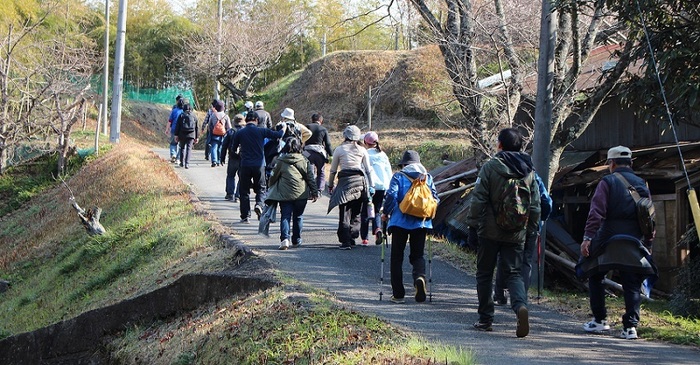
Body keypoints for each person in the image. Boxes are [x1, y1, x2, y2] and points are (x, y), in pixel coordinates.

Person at [466, 128, 540, 338]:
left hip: (489, 232)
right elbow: (534, 206)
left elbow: (478, 199)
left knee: (484, 273)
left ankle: (486, 319)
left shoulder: (491, 167)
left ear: (500, 145)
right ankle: (520, 308)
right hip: (516, 231)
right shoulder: (529, 171)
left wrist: (472, 226)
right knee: (514, 273)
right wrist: (530, 230)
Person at [579, 145, 656, 340]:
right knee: (632, 280)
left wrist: (588, 238)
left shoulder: (607, 182)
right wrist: (648, 242)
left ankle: (599, 320)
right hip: (635, 238)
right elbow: (650, 216)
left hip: (608, 236)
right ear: (630, 163)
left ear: (611, 163)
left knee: (593, 272)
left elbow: (596, 213)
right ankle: (630, 328)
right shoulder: (642, 184)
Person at [380, 150, 439, 304]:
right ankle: (419, 277)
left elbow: (392, 195)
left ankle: (398, 295)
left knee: (397, 258)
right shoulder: (427, 178)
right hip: (421, 222)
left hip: (400, 222)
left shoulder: (399, 176)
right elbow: (435, 198)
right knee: (417, 255)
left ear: (404, 164)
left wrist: (386, 212)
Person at [493, 172, 553, 305]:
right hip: (530, 226)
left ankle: (500, 295)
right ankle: (521, 297)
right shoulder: (535, 178)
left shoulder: (505, 175)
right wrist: (540, 221)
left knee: (504, 258)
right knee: (526, 261)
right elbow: (546, 202)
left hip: (508, 225)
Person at [265, 136, 319, 250]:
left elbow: (273, 177)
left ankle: (285, 239)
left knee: (285, 216)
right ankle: (296, 240)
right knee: (298, 216)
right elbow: (310, 178)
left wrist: (271, 186)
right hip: (301, 194)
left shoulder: (280, 161)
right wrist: (314, 192)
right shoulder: (304, 160)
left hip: (285, 194)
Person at [232, 111, 287, 223]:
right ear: (257, 120)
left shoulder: (240, 133)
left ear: (246, 120)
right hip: (259, 165)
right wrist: (284, 128)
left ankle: (245, 215)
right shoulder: (261, 131)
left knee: (244, 191)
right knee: (261, 188)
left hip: (245, 164)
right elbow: (278, 135)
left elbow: (233, 149)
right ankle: (259, 204)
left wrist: (240, 154)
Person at [326, 125, 375, 249]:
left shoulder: (339, 149)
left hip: (345, 183)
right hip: (360, 182)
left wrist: (330, 185)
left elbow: (332, 171)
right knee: (356, 211)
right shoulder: (362, 150)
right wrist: (372, 185)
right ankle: (353, 235)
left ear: (345, 136)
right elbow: (368, 170)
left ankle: (345, 241)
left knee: (345, 212)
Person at [360, 131, 393, 246]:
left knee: (365, 211)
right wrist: (389, 187)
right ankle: (377, 229)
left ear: (365, 142)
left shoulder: (365, 153)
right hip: (383, 187)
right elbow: (389, 172)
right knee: (378, 210)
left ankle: (364, 238)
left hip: (369, 186)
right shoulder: (383, 154)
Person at [304, 113, 333, 192]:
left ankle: (310, 190)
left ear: (312, 120)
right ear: (321, 121)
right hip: (319, 153)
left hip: (307, 152)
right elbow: (327, 144)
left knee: (309, 172)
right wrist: (331, 155)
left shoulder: (306, 127)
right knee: (321, 172)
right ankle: (319, 190)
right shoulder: (323, 129)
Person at [221, 114, 246, 202]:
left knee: (231, 176)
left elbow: (224, 145)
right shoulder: (245, 132)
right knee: (241, 177)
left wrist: (222, 158)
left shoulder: (231, 131)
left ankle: (230, 194)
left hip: (232, 157)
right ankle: (238, 195)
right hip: (243, 158)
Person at [173, 103, 198, 169]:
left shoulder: (181, 115)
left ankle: (182, 162)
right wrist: (197, 137)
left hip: (182, 134)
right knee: (189, 149)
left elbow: (177, 126)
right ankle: (187, 164)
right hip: (191, 134)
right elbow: (196, 127)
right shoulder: (194, 116)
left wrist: (176, 135)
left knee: (182, 148)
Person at [208, 100, 232, 167]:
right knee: (220, 147)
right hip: (223, 134)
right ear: (223, 108)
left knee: (214, 147)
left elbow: (209, 125)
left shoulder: (213, 115)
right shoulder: (225, 116)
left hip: (214, 134)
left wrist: (211, 131)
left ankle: (214, 161)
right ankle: (219, 160)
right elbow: (229, 127)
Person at [166, 95, 184, 163]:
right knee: (181, 145)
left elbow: (170, 121)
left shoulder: (174, 110)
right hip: (182, 131)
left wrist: (167, 129)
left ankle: (173, 154)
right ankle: (178, 158)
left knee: (173, 143)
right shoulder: (184, 112)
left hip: (174, 129)